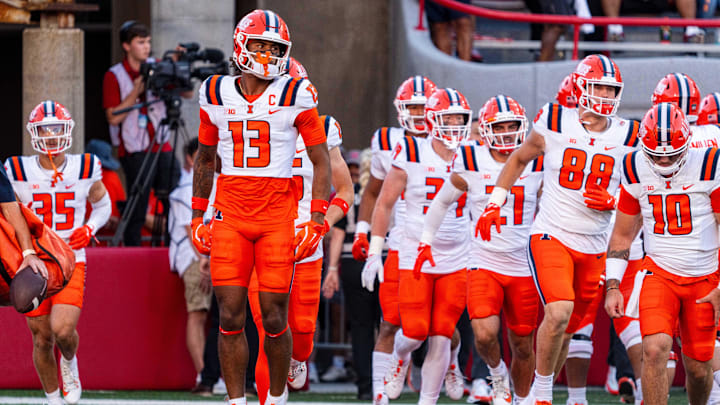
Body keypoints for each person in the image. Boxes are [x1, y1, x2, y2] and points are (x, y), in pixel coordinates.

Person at [477, 54, 638, 404]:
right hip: (552, 233)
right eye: (599, 87)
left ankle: (538, 389)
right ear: (581, 86)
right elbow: (519, 158)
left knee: (567, 327)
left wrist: (613, 201)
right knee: (559, 310)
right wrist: (495, 201)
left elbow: (639, 192)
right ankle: (544, 395)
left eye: (612, 90)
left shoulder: (629, 134)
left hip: (594, 244)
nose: (607, 97)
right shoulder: (553, 120)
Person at [191, 9, 331, 405]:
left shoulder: (296, 92)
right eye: (261, 46)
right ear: (241, 45)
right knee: (230, 314)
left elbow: (321, 160)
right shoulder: (214, 90)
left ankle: (277, 393)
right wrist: (197, 213)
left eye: (276, 48)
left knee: (273, 317)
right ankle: (236, 400)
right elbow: (204, 157)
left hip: (275, 217)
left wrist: (317, 217)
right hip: (231, 215)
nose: (269, 54)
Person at [424, 95, 542, 405]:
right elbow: (442, 200)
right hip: (484, 260)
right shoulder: (471, 158)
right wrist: (426, 240)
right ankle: (496, 372)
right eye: (498, 126)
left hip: (523, 265)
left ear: (522, 126)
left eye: (511, 126)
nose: (505, 132)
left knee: (523, 344)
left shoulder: (537, 161)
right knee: (485, 334)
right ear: (485, 129)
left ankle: (523, 397)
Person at [605, 102, 720, 405]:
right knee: (654, 349)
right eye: (657, 153)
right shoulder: (634, 167)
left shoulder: (710, 163)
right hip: (659, 274)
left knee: (698, 368)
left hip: (704, 277)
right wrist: (613, 285)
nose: (665, 160)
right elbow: (623, 233)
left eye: (672, 152)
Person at [4, 100, 111, 405]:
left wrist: (90, 228)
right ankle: (53, 398)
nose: (51, 136)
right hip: (34, 260)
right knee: (41, 336)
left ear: (67, 131)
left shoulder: (85, 166)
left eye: (56, 129)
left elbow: (103, 205)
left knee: (63, 331)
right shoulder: (17, 169)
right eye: (44, 130)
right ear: (33, 133)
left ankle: (70, 361)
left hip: (70, 258)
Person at [372, 87, 471, 405]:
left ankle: (428, 398)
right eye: (448, 118)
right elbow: (384, 202)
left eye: (460, 118)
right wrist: (374, 249)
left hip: (456, 252)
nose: (455, 125)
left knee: (442, 333)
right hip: (415, 250)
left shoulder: (472, 153)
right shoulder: (411, 152)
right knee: (413, 332)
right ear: (433, 120)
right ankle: (399, 360)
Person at [353, 76, 441, 405]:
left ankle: (443, 368)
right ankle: (380, 393)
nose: (419, 114)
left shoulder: (450, 140)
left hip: (444, 247)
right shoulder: (386, 140)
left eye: (424, 106)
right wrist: (363, 232)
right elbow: (374, 193)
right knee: (389, 322)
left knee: (443, 328)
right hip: (402, 243)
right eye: (412, 107)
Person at [102, 20, 180, 246]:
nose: (146, 47)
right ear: (127, 46)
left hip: (162, 143)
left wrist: (176, 69)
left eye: (148, 42)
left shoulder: (159, 66)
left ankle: (177, 249)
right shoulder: (114, 75)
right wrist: (136, 91)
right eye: (140, 42)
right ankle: (132, 252)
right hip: (135, 149)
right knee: (137, 208)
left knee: (175, 200)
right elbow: (113, 117)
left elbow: (185, 94)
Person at [323, 148, 380, 400]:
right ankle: (384, 382)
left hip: (352, 261)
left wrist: (332, 269)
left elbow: (337, 234)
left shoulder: (351, 193)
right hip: (385, 259)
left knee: (361, 326)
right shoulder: (391, 190)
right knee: (388, 324)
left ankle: (366, 385)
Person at [168, 137, 213, 385]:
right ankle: (203, 375)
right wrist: (205, 263)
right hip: (195, 258)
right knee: (197, 314)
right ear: (189, 158)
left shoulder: (216, 183)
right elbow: (191, 233)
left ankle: (212, 374)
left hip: (216, 256)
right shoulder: (186, 188)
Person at [85, 139, 126, 239]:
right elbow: (122, 209)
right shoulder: (114, 176)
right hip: (112, 242)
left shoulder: (83, 177)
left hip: (88, 241)